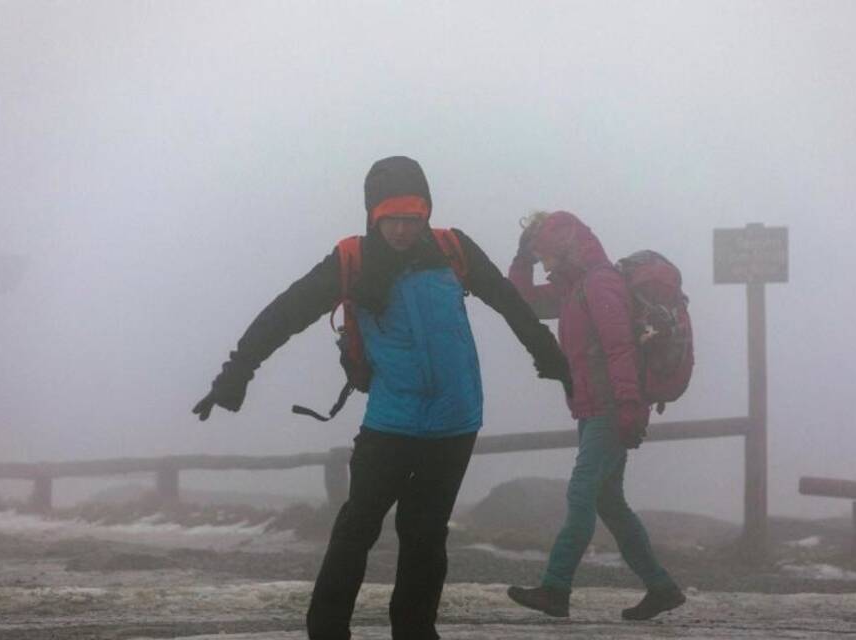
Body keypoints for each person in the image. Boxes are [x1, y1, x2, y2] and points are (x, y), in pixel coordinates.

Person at [192, 156, 571, 640]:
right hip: (391, 421)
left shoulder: (454, 249)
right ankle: (327, 631)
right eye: (390, 219)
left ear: (426, 214)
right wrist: (236, 373)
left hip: (455, 422)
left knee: (426, 535)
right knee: (358, 528)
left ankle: (415, 631)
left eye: (411, 219)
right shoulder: (352, 261)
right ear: (373, 216)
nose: (400, 231)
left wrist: (553, 360)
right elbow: (283, 314)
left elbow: (511, 305)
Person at [505, 210, 686, 621]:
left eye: (546, 255)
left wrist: (627, 408)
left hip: (610, 408)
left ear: (566, 249)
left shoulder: (600, 284)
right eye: (540, 257)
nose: (545, 264)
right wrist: (522, 260)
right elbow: (522, 304)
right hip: (594, 409)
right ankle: (661, 588)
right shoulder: (574, 290)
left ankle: (555, 588)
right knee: (609, 502)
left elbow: (620, 348)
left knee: (582, 492)